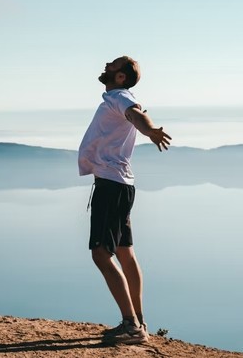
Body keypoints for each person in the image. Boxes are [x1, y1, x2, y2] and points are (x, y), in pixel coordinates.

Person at [78, 56, 171, 344]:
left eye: (112, 65)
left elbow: (136, 114)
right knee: (124, 251)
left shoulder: (120, 97)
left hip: (111, 185)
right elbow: (134, 114)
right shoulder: (117, 97)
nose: (106, 65)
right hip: (119, 184)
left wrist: (150, 130)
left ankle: (131, 326)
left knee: (100, 253)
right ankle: (138, 321)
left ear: (120, 77)